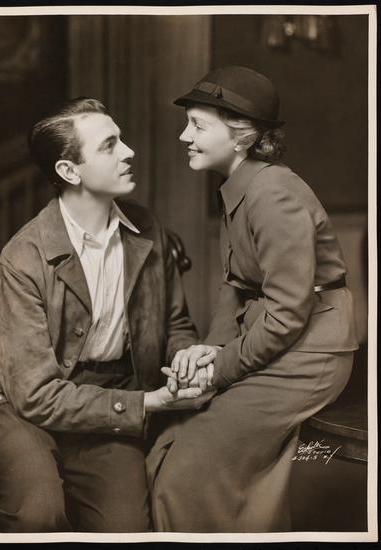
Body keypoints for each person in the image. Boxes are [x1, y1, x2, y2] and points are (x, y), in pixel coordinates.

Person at [0, 98, 216, 533]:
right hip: (18, 405)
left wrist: (184, 358)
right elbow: (35, 395)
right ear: (69, 171)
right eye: (109, 145)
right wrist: (150, 402)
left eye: (122, 139)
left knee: (126, 528)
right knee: (38, 510)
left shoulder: (148, 229)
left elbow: (175, 323)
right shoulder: (23, 256)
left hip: (107, 397)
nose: (129, 152)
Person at [147, 66, 359, 532]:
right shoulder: (240, 186)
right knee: (172, 439)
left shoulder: (273, 193)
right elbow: (237, 286)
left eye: (198, 126)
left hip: (309, 354)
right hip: (274, 341)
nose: (184, 136)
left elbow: (287, 316)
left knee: (188, 467)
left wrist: (218, 370)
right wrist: (210, 347)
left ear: (241, 136)